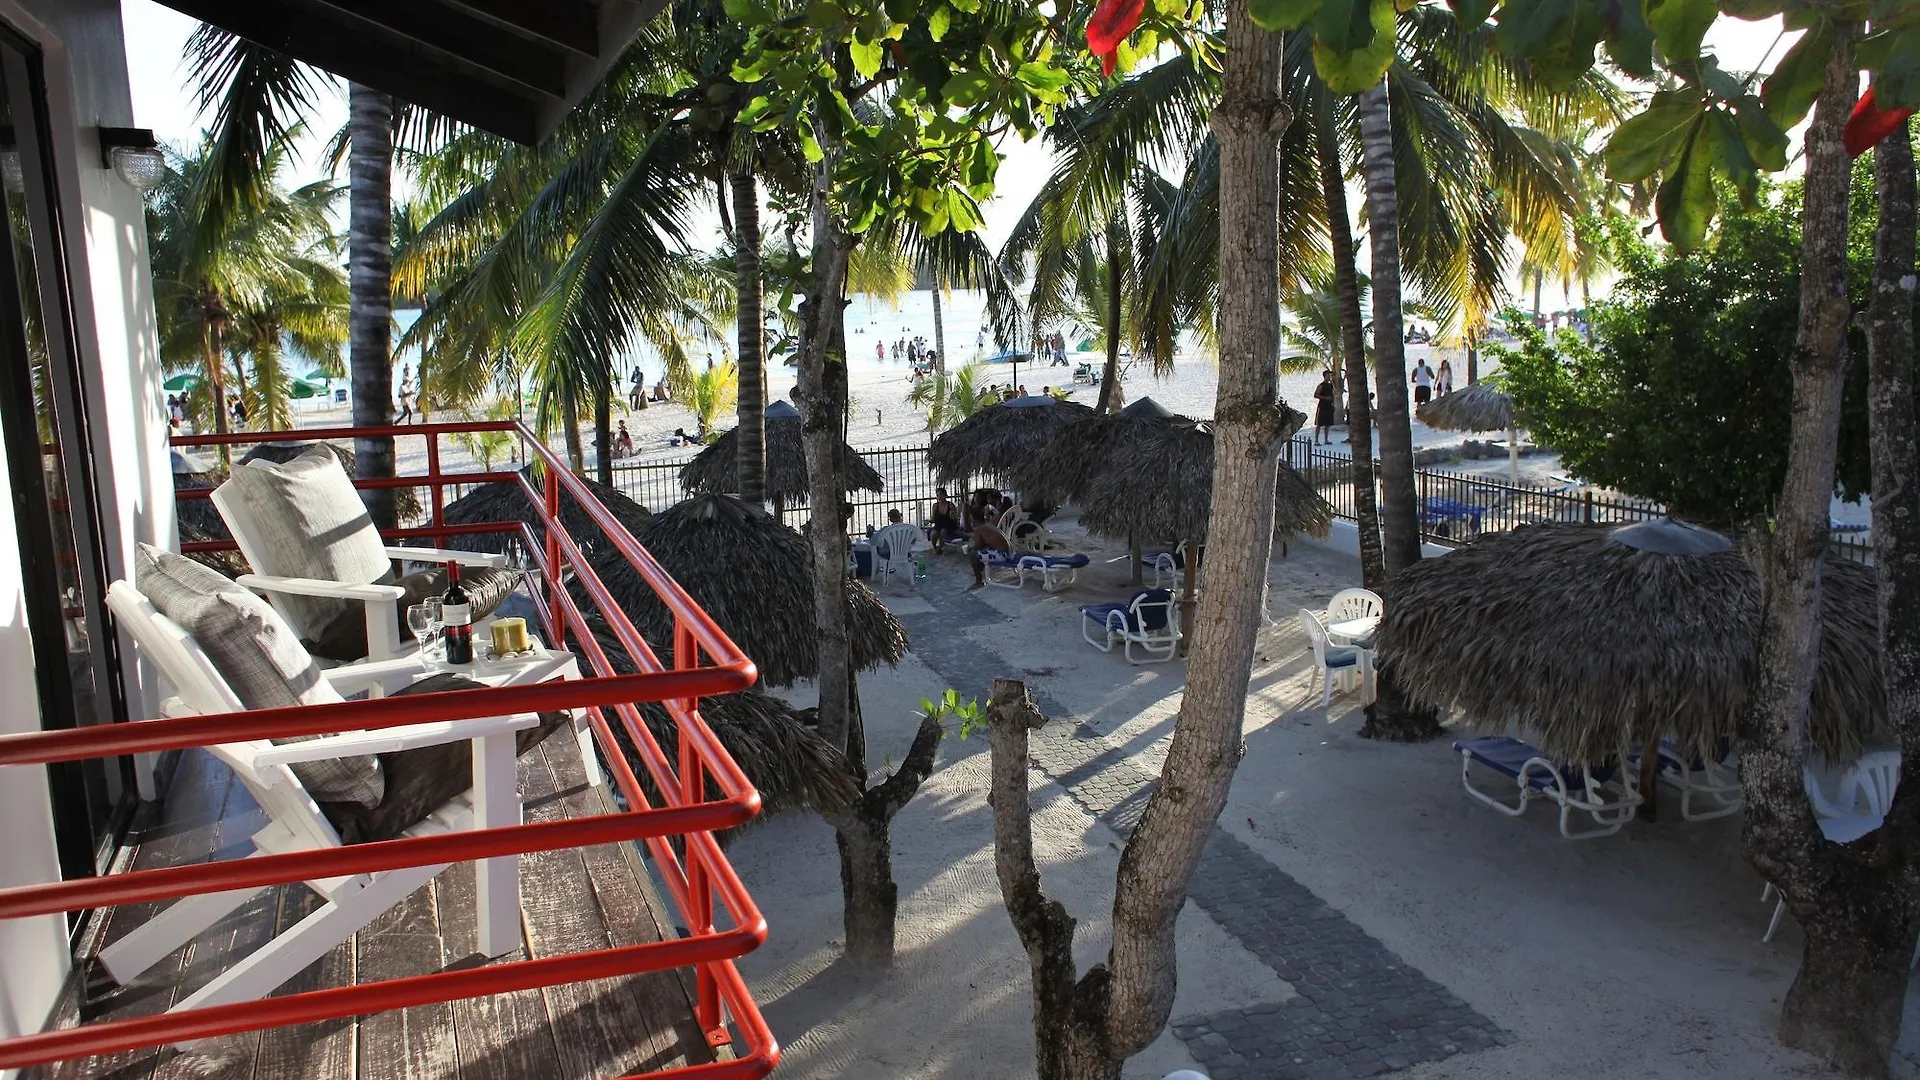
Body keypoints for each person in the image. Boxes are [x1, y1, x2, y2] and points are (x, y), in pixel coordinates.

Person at [966, 500, 1010, 589]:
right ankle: (980, 571)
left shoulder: (979, 529)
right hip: (1008, 552)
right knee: (980, 552)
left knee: (972, 554)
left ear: (974, 521)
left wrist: (970, 547)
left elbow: (978, 545)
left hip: (1002, 555)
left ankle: (979, 580)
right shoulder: (988, 525)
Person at [928, 487, 962, 553]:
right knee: (933, 534)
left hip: (949, 524)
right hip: (939, 524)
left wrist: (952, 516)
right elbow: (933, 518)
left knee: (943, 532)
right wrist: (929, 521)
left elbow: (955, 518)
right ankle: (935, 548)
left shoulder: (950, 505)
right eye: (938, 495)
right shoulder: (935, 506)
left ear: (945, 495)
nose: (939, 497)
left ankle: (939, 549)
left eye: (941, 495)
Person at [1312, 369, 1339, 444]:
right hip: (1322, 406)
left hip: (1329, 406)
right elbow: (1315, 395)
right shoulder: (1321, 385)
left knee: (1327, 424)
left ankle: (1326, 440)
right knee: (1319, 424)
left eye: (1330, 375)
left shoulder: (1331, 385)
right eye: (1328, 375)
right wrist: (1325, 398)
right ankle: (1316, 441)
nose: (1329, 377)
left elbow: (1334, 394)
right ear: (1324, 376)